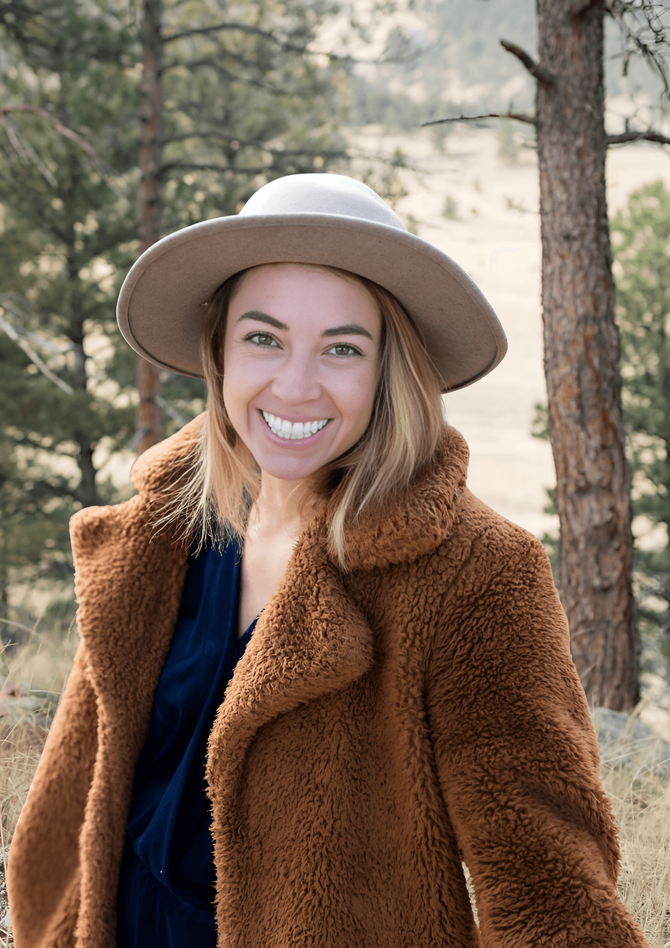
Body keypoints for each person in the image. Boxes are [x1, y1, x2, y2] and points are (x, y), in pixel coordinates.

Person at [7, 174, 648, 948]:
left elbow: (549, 888)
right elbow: (67, 817)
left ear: (387, 371)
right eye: (264, 338)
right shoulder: (159, 533)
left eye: (342, 349)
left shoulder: (475, 572)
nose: (296, 385)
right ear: (219, 348)